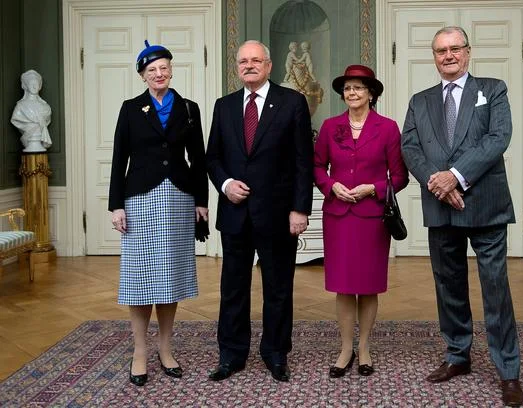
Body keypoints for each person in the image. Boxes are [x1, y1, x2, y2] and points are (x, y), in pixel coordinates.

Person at [401, 26, 523, 407]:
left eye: (455, 48)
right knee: (448, 287)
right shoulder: (419, 101)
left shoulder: (494, 88)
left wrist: (454, 176)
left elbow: (497, 139)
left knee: (495, 290)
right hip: (441, 208)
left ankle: (508, 371)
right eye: (441, 50)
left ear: (468, 52)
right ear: (434, 56)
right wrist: (437, 184)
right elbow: (410, 146)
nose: (448, 55)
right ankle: (458, 356)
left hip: (486, 206)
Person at [206, 40, 314, 382]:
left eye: (256, 60)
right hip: (235, 213)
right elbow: (213, 157)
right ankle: (231, 354)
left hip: (278, 214)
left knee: (278, 287)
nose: (249, 66)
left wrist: (300, 209)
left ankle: (275, 352)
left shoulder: (292, 102)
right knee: (233, 288)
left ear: (268, 65)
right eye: (243, 61)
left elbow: (303, 161)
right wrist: (225, 185)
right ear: (237, 67)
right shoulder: (223, 106)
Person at [108, 40, 209, 387]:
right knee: (140, 281)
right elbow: (119, 157)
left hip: (179, 199)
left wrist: (201, 201)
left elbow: (199, 159)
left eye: (164, 67)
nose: (159, 73)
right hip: (139, 199)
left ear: (171, 69)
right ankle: (140, 352)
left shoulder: (189, 108)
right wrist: (115, 204)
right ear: (142, 75)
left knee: (170, 278)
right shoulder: (130, 108)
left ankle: (166, 349)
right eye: (151, 70)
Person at [314, 65, 409, 378]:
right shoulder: (330, 127)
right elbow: (316, 166)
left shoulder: (388, 128)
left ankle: (365, 347)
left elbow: (399, 176)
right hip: (338, 217)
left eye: (358, 88)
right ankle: (345, 349)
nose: (351, 93)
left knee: (368, 287)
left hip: (371, 218)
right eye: (347, 88)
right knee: (343, 287)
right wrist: (330, 186)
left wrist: (373, 188)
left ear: (371, 93)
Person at [11, 69, 52, 152]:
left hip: (38, 143)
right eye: (31, 84)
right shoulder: (21, 106)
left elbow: (47, 118)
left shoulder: (46, 107)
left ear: (40, 86)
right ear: (26, 86)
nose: (34, 86)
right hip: (30, 142)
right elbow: (15, 120)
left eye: (36, 84)